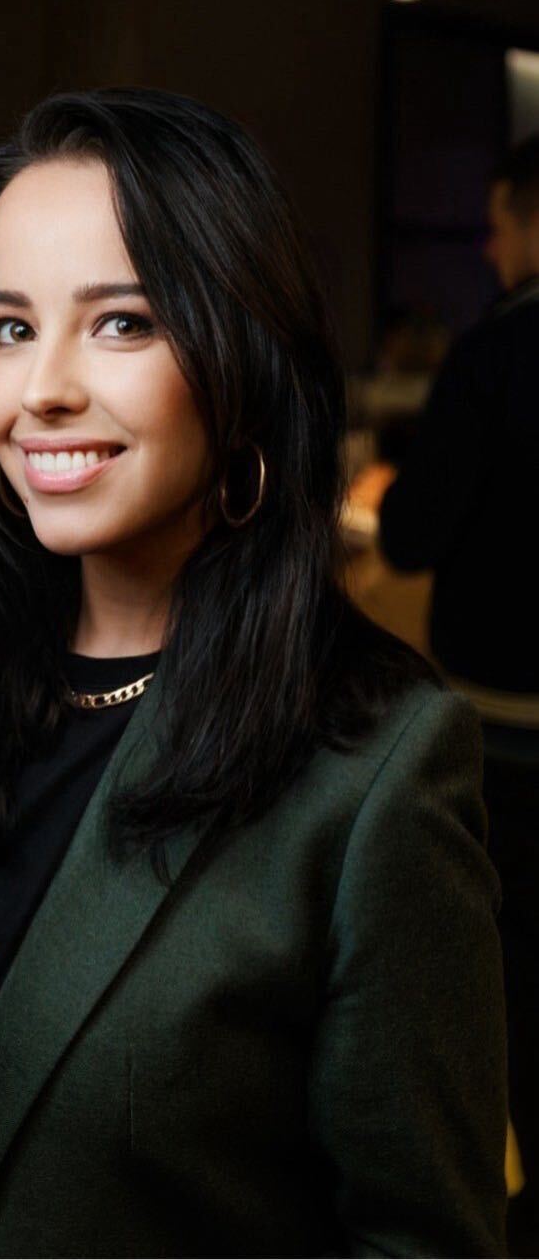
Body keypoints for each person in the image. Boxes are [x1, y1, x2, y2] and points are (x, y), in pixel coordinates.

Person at [0, 88, 507, 1259]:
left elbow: (418, 1238)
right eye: (7, 328)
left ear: (243, 355)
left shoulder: (376, 766)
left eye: (121, 321)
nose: (40, 388)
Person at [378, 133, 539, 1256]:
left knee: (511, 990)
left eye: (500, 221)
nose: (488, 245)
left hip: (511, 728)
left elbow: (411, 532)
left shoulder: (494, 355)